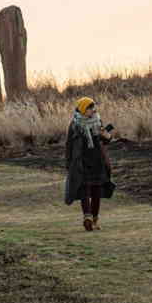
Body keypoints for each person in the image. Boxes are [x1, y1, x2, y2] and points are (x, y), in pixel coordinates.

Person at [64, 97, 115, 231]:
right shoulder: (74, 125)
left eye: (93, 107)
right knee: (84, 190)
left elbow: (104, 141)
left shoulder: (98, 121)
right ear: (83, 109)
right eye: (90, 108)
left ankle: (95, 219)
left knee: (97, 191)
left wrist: (107, 136)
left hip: (98, 161)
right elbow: (69, 145)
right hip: (81, 162)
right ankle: (87, 217)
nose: (93, 110)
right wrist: (68, 163)